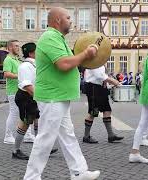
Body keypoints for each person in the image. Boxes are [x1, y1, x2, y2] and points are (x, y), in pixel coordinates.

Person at [23, 7, 100, 180]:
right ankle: (31, 177)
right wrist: (86, 53)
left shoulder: (58, 38)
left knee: (67, 135)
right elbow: (64, 64)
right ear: (58, 20)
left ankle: (79, 172)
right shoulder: (50, 37)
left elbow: (69, 62)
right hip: (52, 97)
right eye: (68, 17)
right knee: (45, 138)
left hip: (58, 96)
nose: (70, 20)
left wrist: (83, 55)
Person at [12, 42, 58, 160]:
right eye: (38, 51)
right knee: (26, 122)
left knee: (38, 120)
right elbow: (27, 86)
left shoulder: (34, 64)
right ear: (32, 53)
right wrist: (41, 97)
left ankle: (41, 148)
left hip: (32, 96)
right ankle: (15, 150)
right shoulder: (25, 66)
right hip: (26, 96)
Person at [3, 40, 34, 144]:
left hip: (22, 90)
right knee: (14, 113)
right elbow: (6, 74)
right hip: (13, 91)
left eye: (18, 46)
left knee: (27, 112)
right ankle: (8, 136)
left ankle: (28, 135)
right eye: (16, 46)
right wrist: (20, 76)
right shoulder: (8, 59)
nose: (18, 48)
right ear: (10, 48)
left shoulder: (18, 59)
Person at [82, 65, 124, 144]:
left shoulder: (100, 61)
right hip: (93, 88)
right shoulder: (93, 61)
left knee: (107, 110)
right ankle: (86, 136)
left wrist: (109, 85)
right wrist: (112, 81)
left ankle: (111, 135)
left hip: (101, 88)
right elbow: (99, 75)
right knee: (93, 112)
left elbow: (102, 75)